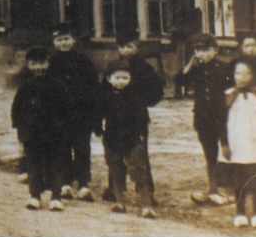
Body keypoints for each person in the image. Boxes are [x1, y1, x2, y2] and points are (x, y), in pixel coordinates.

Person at [104, 31, 164, 204]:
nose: (126, 50)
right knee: (114, 153)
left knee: (139, 153)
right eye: (122, 47)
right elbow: (103, 90)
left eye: (129, 46)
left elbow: (157, 92)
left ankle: (146, 191)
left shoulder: (145, 69)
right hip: (115, 117)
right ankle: (115, 189)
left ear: (136, 46)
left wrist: (142, 102)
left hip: (136, 118)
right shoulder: (113, 67)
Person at [173, 32, 231, 205]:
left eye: (205, 50)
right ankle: (213, 189)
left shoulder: (225, 67)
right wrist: (189, 65)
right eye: (197, 50)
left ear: (215, 50)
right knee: (210, 153)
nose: (201, 54)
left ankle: (230, 192)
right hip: (203, 118)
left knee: (228, 151)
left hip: (223, 118)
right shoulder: (196, 69)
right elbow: (179, 81)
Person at [93, 60, 156, 219]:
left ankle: (146, 205)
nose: (121, 81)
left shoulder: (136, 98)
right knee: (116, 170)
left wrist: (141, 135)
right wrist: (100, 132)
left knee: (139, 171)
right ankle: (119, 201)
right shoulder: (105, 98)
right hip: (112, 139)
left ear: (130, 79)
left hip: (132, 140)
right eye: (117, 77)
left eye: (125, 78)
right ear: (109, 79)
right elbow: (96, 116)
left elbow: (143, 118)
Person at [11, 46, 70, 211]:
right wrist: (21, 130)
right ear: (28, 65)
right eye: (33, 64)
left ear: (48, 63)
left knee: (55, 164)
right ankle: (35, 195)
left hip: (54, 133)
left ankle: (56, 196)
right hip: (32, 134)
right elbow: (17, 109)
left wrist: (63, 127)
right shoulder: (25, 87)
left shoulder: (58, 85)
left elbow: (67, 108)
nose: (38, 67)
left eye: (42, 63)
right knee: (33, 165)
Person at [47, 24, 99, 201]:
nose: (64, 43)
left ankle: (83, 183)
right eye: (59, 40)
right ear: (54, 43)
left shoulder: (84, 62)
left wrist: (92, 111)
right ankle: (66, 183)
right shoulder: (51, 63)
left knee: (82, 148)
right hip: (59, 115)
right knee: (62, 148)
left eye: (67, 39)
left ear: (74, 40)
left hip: (81, 114)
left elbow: (93, 87)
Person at [219, 59, 256, 228]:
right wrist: (224, 143)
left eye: (246, 73)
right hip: (237, 143)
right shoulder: (228, 95)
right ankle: (240, 212)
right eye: (237, 73)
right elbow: (221, 122)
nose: (241, 77)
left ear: (253, 75)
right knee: (239, 179)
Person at [232, 33, 256, 99]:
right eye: (247, 46)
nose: (251, 49)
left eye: (255, 45)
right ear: (241, 47)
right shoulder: (235, 63)